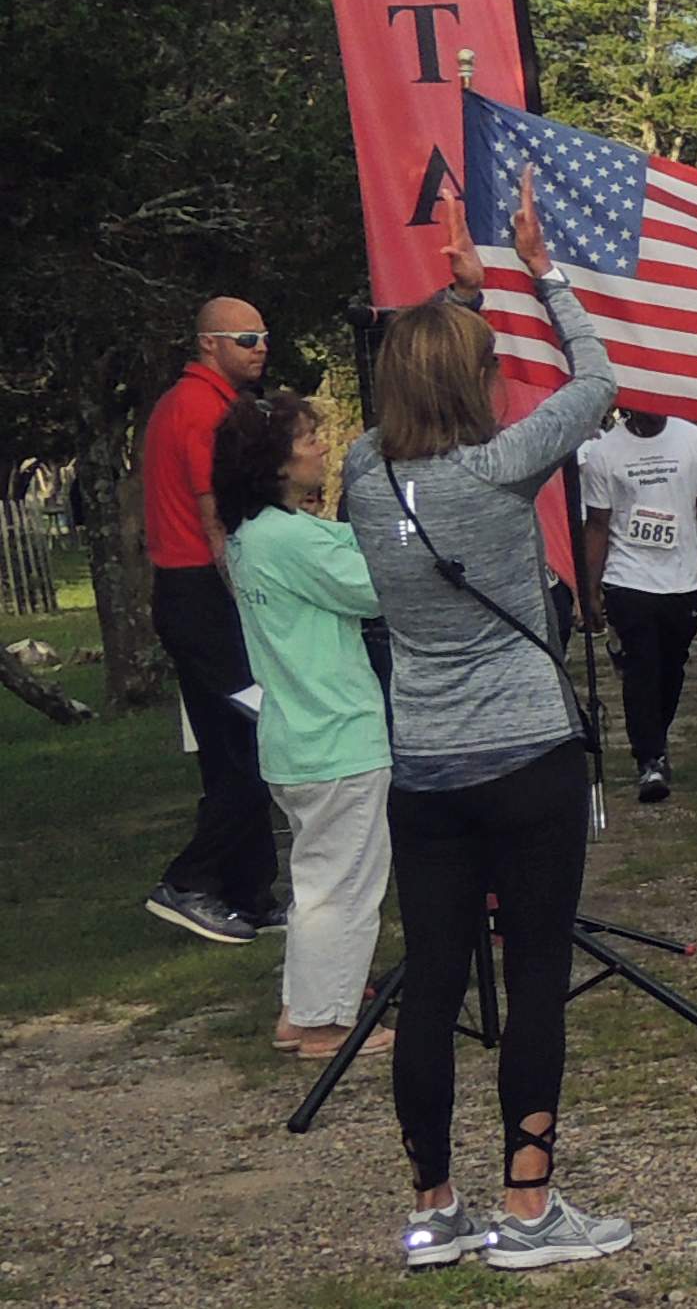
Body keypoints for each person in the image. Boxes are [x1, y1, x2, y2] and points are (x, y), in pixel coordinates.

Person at [343, 184, 631, 1270]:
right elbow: (597, 380)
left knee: (433, 977)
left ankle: (433, 1207)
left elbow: (419, 373)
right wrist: (539, 271)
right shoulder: (504, 463)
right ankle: (528, 1205)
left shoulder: (368, 476)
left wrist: (455, 290)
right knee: (539, 971)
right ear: (474, 381)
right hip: (525, 748)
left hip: (424, 764)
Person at [216, 390, 393, 1062]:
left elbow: (338, 547)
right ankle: (326, 1022)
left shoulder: (255, 535)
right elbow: (375, 587)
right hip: (336, 733)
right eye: (309, 438)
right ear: (276, 461)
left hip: (297, 735)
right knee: (344, 886)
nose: (323, 446)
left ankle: (303, 1006)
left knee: (316, 879)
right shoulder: (286, 540)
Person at [140, 295, 280, 945]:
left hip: (185, 593)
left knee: (229, 750)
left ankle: (248, 893)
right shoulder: (203, 410)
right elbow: (213, 518)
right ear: (209, 344)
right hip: (204, 595)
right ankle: (190, 881)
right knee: (259, 740)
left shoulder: (185, 402)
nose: (260, 347)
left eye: (263, 336)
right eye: (246, 337)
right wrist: (251, 600)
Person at [573, 406, 697, 803]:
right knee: (642, 667)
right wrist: (589, 590)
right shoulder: (605, 452)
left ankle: (654, 736)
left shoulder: (695, 442)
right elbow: (598, 524)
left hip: (682, 577)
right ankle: (650, 758)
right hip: (628, 577)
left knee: (671, 668)